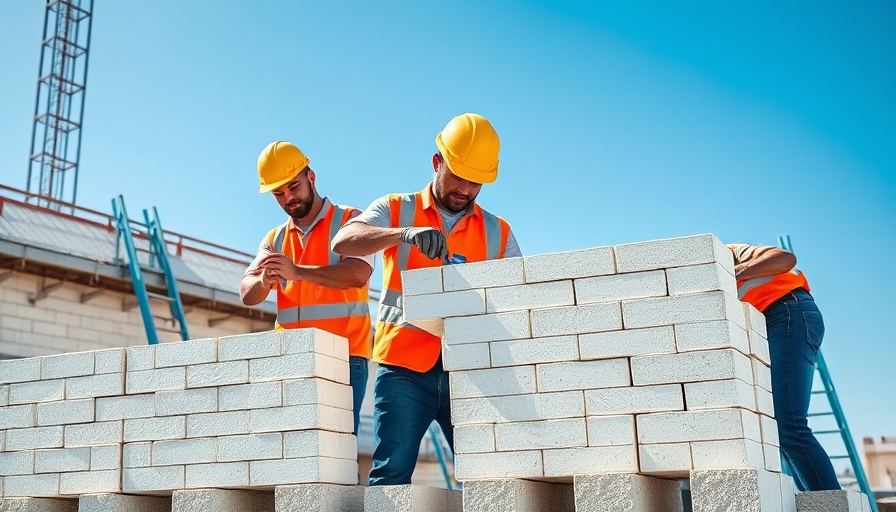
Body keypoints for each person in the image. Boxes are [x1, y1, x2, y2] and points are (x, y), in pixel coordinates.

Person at [332, 113, 521, 485]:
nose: (466, 189)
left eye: (476, 181)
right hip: (402, 367)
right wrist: (402, 233)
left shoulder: (500, 232)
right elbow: (343, 240)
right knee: (391, 474)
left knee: (488, 477)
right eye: (458, 175)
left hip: (468, 370)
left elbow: (518, 298)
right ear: (437, 163)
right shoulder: (396, 208)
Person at [241, 140, 374, 437]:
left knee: (336, 449)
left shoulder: (351, 221)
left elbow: (358, 274)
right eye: (278, 193)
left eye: (293, 186)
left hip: (345, 357)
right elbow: (247, 292)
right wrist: (264, 280)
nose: (288, 197)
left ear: (310, 177)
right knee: (296, 448)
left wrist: (297, 272)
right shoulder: (275, 238)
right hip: (291, 357)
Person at [728, 243, 840, 491]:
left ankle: (829, 502)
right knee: (780, 429)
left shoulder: (729, 252)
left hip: (788, 311)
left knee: (789, 424)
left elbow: (785, 258)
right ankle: (816, 501)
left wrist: (731, 270)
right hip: (774, 322)